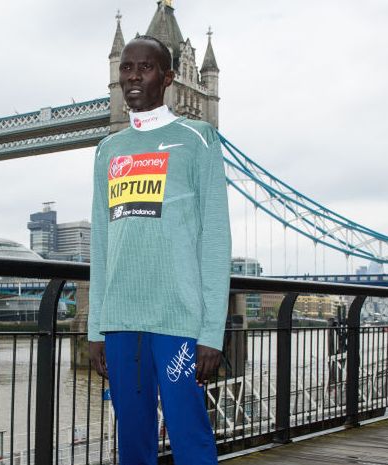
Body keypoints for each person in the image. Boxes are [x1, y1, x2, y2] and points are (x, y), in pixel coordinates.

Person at [88, 35, 231, 465]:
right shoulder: (107, 150)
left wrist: (211, 332)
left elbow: (216, 240)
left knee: (190, 435)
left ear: (168, 78)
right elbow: (100, 240)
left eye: (145, 68)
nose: (133, 77)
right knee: (132, 441)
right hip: (120, 323)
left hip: (179, 322)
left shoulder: (199, 138)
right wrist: (97, 326)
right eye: (126, 67)